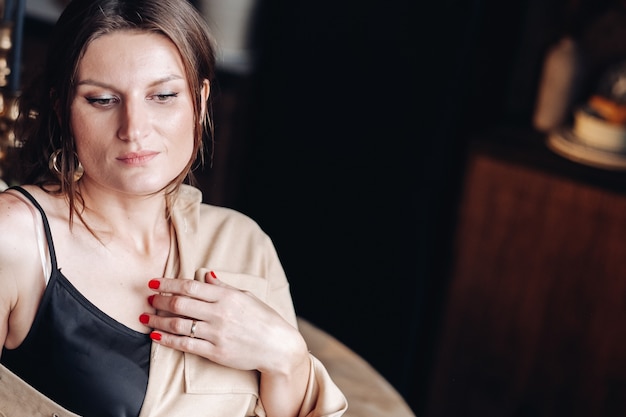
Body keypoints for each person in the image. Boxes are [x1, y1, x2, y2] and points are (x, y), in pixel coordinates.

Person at [0, 0, 347, 416]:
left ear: (200, 101)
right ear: (62, 108)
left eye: (162, 96)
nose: (134, 129)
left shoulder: (244, 244)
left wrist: (287, 358)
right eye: (103, 100)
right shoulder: (16, 236)